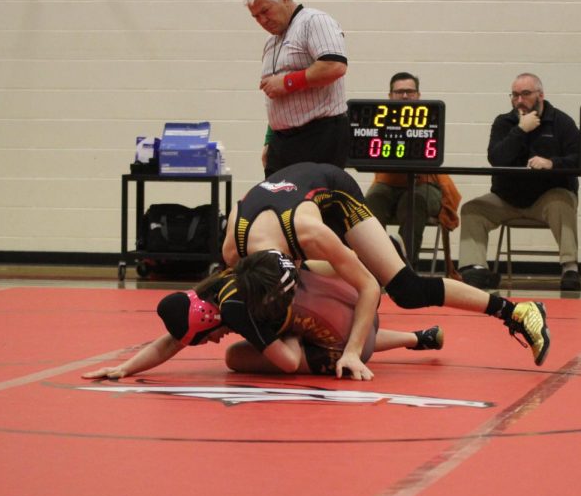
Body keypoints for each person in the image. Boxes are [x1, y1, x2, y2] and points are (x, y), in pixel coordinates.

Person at [222, 161, 551, 381]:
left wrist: (351, 353)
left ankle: (517, 312)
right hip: (288, 208)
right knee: (310, 293)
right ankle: (356, 260)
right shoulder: (232, 249)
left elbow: (369, 288)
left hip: (333, 191)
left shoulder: (311, 232)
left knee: (407, 291)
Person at [81, 261, 445, 381]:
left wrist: (282, 334)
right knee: (282, 330)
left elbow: (287, 364)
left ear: (207, 318)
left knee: (236, 358)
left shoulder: (237, 310)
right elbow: (172, 341)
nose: (209, 341)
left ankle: (410, 339)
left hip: (345, 344)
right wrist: (124, 369)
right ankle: (417, 338)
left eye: (203, 338)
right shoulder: (223, 281)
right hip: (355, 303)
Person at [457, 73, 581, 291]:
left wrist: (552, 163)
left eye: (525, 94)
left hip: (547, 198)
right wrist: (521, 130)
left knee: (563, 202)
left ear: (540, 95)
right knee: (472, 209)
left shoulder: (561, 122)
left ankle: (570, 268)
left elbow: (579, 158)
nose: (519, 100)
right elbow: (496, 158)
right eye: (514, 95)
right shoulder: (504, 123)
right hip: (507, 199)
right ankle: (475, 269)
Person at [244, 0, 350, 176]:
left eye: (265, 11)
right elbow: (274, 94)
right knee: (276, 204)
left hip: (319, 135)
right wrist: (270, 139)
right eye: (256, 17)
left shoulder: (314, 21)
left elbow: (334, 66)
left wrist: (287, 82)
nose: (262, 20)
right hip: (282, 141)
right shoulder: (271, 41)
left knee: (311, 205)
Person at [363, 72, 462, 264]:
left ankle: (405, 265)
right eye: (399, 92)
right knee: (372, 200)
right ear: (390, 96)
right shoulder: (378, 118)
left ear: (418, 95)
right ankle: (374, 263)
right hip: (388, 183)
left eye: (409, 91)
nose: (405, 96)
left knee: (412, 202)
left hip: (425, 184)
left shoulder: (430, 117)